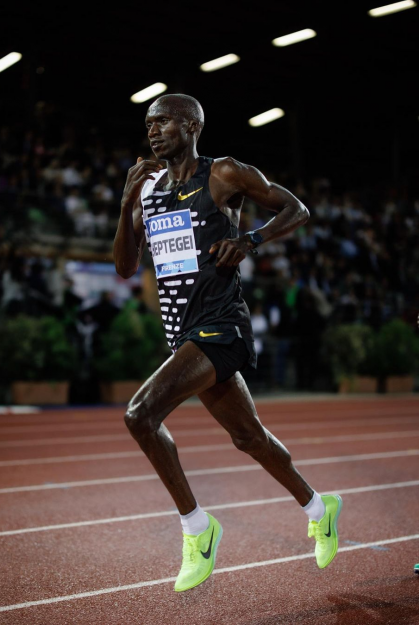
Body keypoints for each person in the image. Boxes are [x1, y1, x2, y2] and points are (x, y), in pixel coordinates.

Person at [113, 94, 342, 593]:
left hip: (221, 325)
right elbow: (127, 267)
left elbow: (296, 208)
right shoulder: (148, 188)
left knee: (140, 415)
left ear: (192, 125)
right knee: (249, 438)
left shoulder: (224, 175)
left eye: (164, 121)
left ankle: (197, 529)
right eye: (148, 123)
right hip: (183, 334)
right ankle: (320, 508)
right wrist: (126, 203)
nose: (153, 131)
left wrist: (250, 241)